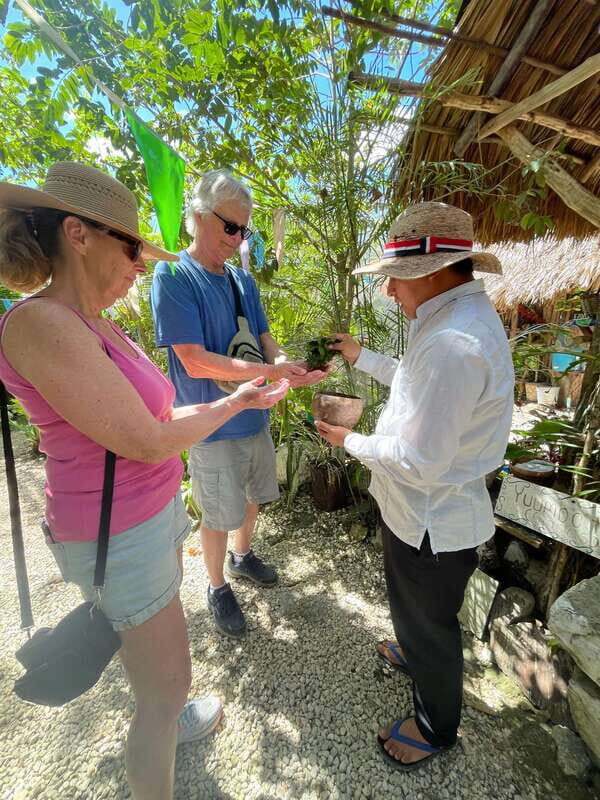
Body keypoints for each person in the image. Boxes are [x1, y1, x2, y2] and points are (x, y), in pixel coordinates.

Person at [0, 162, 290, 800]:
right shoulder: (39, 322)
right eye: (130, 246)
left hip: (145, 520)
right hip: (119, 535)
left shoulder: (95, 322)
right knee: (169, 684)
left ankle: (162, 718)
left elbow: (158, 414)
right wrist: (233, 403)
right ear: (77, 234)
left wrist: (237, 398)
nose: (139, 263)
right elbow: (146, 439)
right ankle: (160, 737)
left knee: (155, 657)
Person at [316, 202, 514, 771]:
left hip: (431, 517)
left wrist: (347, 442)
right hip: (423, 513)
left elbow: (420, 461)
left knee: (431, 622)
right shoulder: (451, 322)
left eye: (393, 280)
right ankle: (413, 648)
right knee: (414, 605)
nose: (388, 293)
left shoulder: (454, 342)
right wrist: (361, 356)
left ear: (431, 272)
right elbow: (412, 382)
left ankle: (435, 725)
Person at [151, 169, 328, 639]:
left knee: (253, 496)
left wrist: (288, 367)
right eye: (230, 226)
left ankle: (243, 555)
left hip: (256, 414)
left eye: (244, 229)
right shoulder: (173, 275)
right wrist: (265, 373)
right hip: (210, 424)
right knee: (216, 512)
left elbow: (266, 340)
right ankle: (215, 585)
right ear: (197, 217)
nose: (237, 237)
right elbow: (193, 362)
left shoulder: (241, 280)